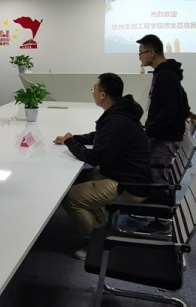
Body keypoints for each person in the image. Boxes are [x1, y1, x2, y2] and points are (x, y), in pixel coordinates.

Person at [55, 73, 152, 260]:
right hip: (126, 174)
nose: (92, 92)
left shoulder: (117, 119)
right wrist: (73, 138)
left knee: (70, 197)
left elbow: (94, 157)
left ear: (102, 95)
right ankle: (100, 224)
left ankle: (96, 246)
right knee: (80, 178)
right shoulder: (121, 112)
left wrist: (70, 143)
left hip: (129, 185)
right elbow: (99, 136)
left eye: (94, 89)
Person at [137, 34, 196, 234]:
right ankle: (158, 213)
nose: (139, 57)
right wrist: (186, 111)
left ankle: (162, 222)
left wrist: (149, 131)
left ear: (151, 53)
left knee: (158, 177)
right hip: (163, 133)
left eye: (141, 53)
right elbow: (181, 95)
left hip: (165, 136)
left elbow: (170, 109)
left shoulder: (165, 74)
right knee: (157, 174)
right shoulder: (166, 72)